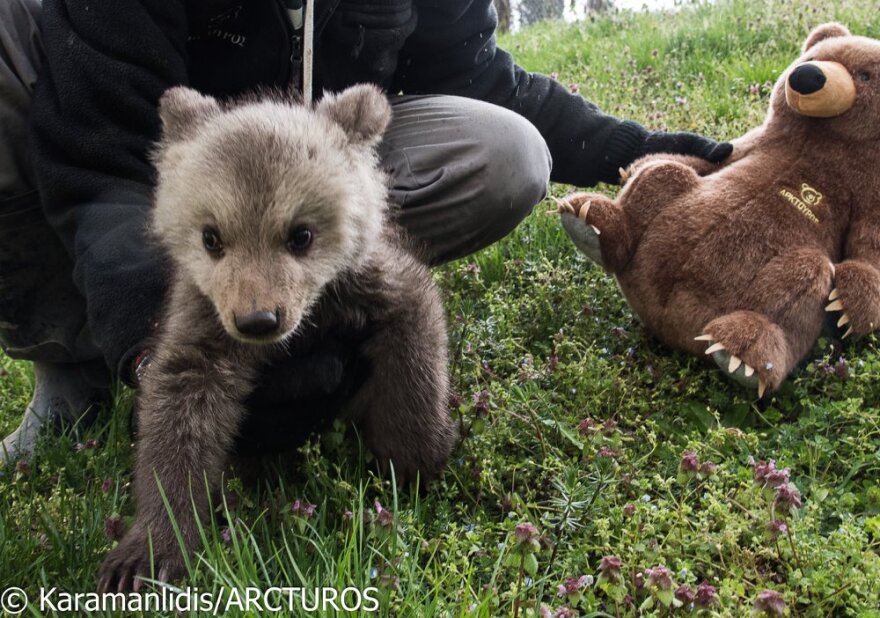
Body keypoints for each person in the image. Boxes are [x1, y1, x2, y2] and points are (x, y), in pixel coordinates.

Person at [0, 0, 731, 461]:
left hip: (316, 159)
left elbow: (483, 75)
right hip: (175, 163)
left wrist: (655, 150)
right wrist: (149, 344)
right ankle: (77, 361)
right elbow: (97, 159)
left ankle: (332, 302)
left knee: (507, 151)